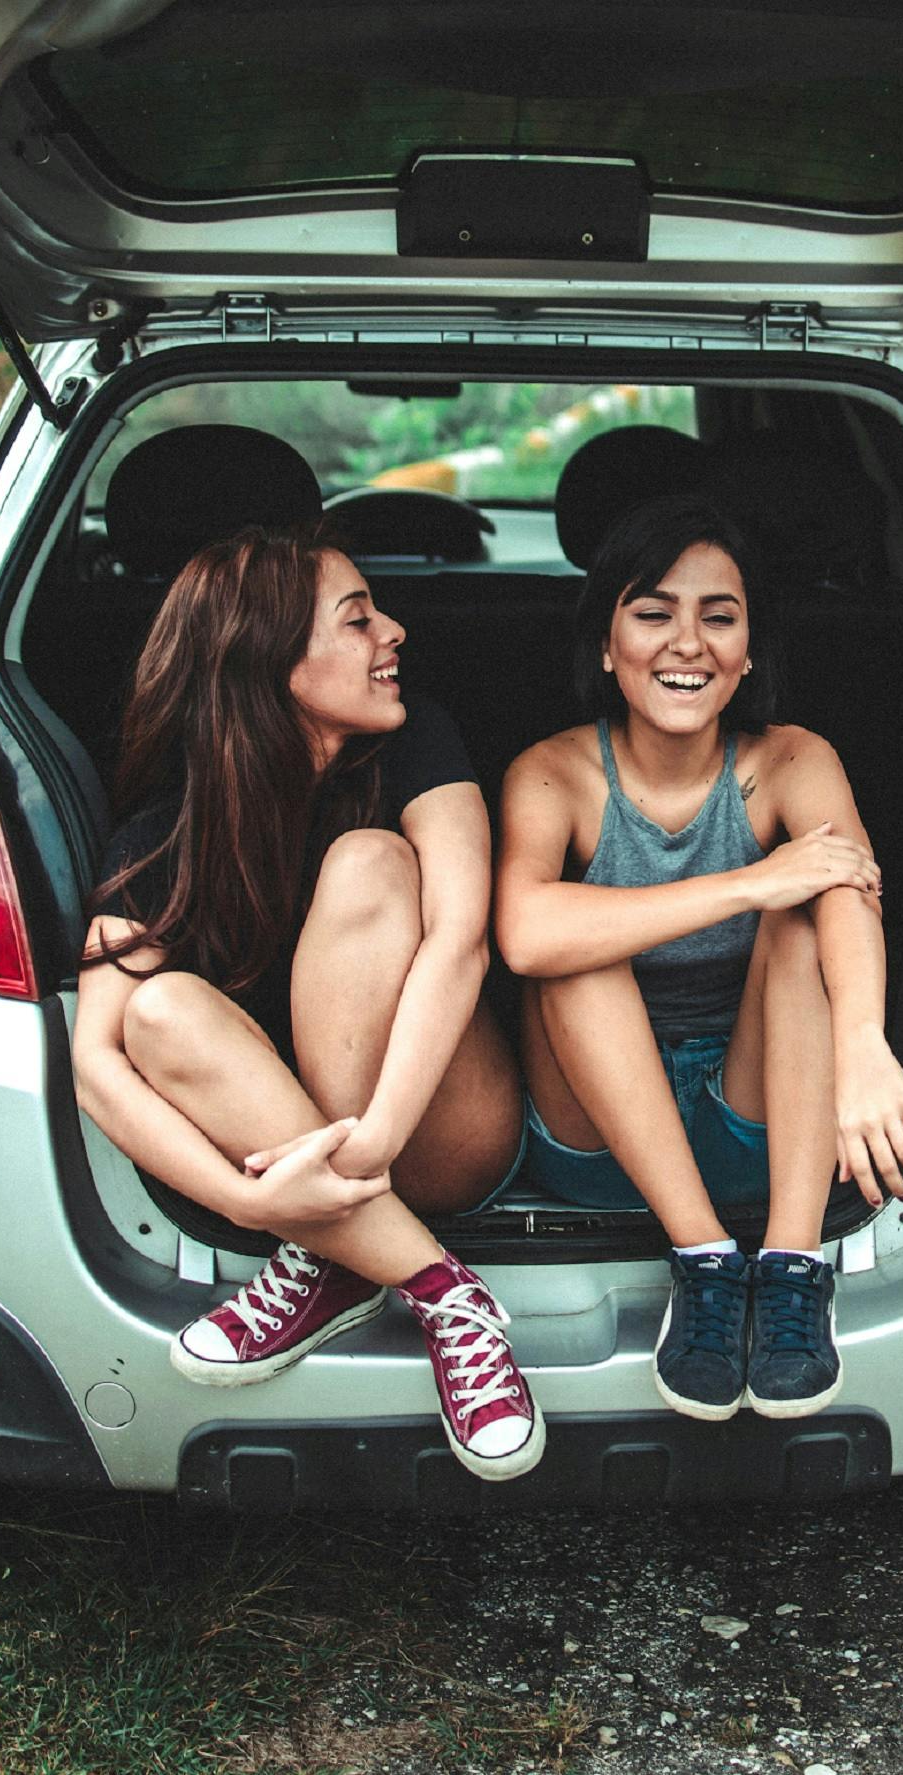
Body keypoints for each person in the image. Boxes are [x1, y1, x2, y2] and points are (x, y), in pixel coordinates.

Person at [72, 524, 544, 1482]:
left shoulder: (418, 747)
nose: (394, 632)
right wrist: (255, 1200)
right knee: (153, 1011)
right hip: (291, 1172)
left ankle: (331, 1254)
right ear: (272, 660)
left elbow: (462, 940)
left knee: (368, 862)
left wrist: (362, 1152)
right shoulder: (164, 834)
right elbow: (95, 1063)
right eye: (359, 618)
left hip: (440, 1127)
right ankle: (437, 1289)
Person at [494, 496, 903, 1422]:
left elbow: (850, 887)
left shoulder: (792, 758)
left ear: (747, 654)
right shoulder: (552, 772)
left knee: (807, 916)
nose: (686, 642)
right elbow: (526, 935)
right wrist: (748, 882)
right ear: (607, 645)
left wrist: (861, 1045)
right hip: (598, 1138)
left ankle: (787, 1264)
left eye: (718, 617)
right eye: (653, 612)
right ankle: (702, 1260)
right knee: (579, 944)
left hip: (763, 1129)